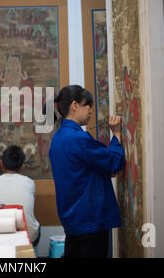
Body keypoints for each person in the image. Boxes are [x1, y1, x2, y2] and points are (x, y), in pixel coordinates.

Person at [49, 85, 125, 258]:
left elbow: (80, 170)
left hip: (72, 219)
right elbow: (114, 162)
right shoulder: (78, 138)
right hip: (90, 220)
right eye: (88, 105)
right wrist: (117, 135)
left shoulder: (58, 137)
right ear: (75, 105)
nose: (91, 110)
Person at [0, 145, 41, 246]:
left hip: (1, 236)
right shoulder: (30, 183)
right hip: (28, 237)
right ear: (22, 166)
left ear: (1, 163)